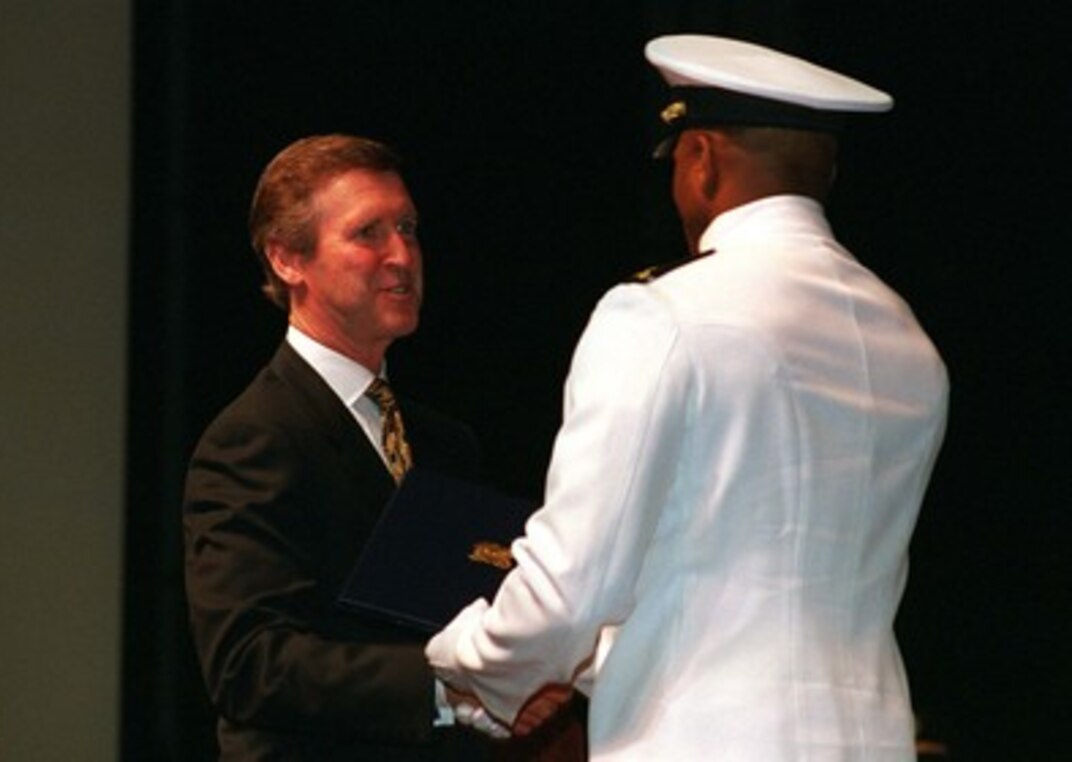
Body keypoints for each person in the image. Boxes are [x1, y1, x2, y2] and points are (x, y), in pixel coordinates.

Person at [426, 35, 949, 760]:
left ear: (699, 158)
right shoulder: (908, 342)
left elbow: (573, 586)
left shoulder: (662, 314)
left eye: (675, 159)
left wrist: (466, 667)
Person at [182, 134, 583, 760]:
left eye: (409, 228)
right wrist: (447, 686)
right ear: (288, 259)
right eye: (369, 233)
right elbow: (249, 664)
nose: (402, 254)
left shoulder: (446, 442)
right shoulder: (254, 438)